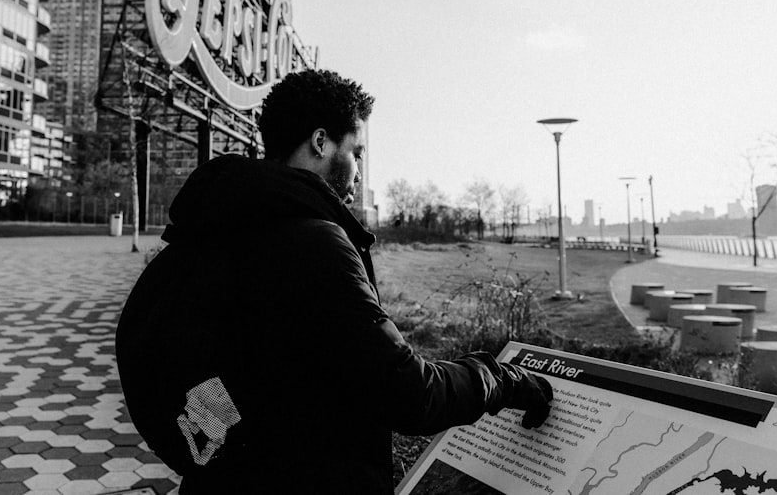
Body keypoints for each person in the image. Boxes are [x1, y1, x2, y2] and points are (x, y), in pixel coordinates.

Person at [115, 69, 553, 494]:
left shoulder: (211, 225)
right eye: (357, 152)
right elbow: (409, 394)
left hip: (224, 479)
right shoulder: (312, 241)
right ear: (320, 141)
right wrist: (502, 379)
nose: (359, 173)